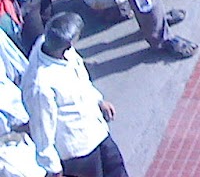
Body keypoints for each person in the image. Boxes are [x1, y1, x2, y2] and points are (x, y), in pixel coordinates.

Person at [21, 13, 128, 175]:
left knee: (117, 168)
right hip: (79, 151)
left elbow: (81, 79)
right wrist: (54, 169)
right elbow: (42, 131)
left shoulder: (58, 48)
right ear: (68, 43)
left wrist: (99, 100)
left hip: (97, 131)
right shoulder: (39, 85)